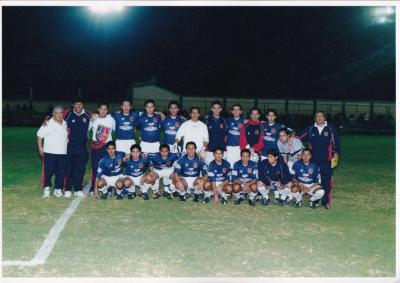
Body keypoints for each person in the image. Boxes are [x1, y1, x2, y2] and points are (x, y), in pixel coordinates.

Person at [42, 97, 91, 198]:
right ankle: (67, 188)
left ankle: (78, 189)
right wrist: (46, 119)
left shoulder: (88, 115)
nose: (78, 106)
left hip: (82, 147)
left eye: (80, 104)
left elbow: (99, 116)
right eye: (76, 104)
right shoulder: (67, 113)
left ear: (83, 106)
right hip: (69, 147)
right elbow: (56, 116)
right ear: (73, 105)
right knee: (68, 168)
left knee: (80, 168)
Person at [298, 111, 341, 209]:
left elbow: (336, 143)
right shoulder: (310, 129)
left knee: (326, 181)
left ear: (324, 118)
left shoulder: (330, 128)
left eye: (321, 116)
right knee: (313, 181)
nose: (319, 118)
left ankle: (326, 202)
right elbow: (298, 137)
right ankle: (315, 200)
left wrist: (336, 154)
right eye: (317, 116)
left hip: (327, 160)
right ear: (314, 119)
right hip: (313, 161)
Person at [37, 106, 68, 198]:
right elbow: (39, 136)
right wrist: (40, 148)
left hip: (62, 152)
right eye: (57, 113)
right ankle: (47, 188)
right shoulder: (47, 123)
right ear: (53, 114)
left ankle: (58, 189)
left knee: (61, 172)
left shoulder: (65, 123)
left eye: (61, 112)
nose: (59, 114)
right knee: (49, 171)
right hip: (50, 152)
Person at [88, 103, 115, 195]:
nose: (103, 111)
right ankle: (93, 188)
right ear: (98, 109)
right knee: (95, 167)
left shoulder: (111, 119)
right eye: (101, 109)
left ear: (107, 111)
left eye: (105, 109)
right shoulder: (93, 119)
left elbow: (116, 129)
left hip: (108, 147)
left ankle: (109, 189)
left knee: (108, 167)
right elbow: (86, 130)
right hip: (96, 147)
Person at [226, 104, 246, 168]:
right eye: (234, 110)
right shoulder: (228, 120)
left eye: (238, 109)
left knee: (238, 166)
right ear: (231, 112)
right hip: (229, 147)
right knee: (230, 165)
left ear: (241, 112)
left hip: (239, 147)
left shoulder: (244, 121)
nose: (236, 111)